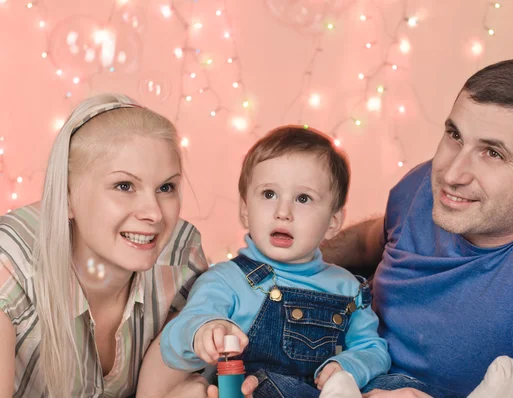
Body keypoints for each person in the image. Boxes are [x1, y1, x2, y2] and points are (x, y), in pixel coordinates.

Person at [321, 58, 513, 398]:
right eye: (455, 135)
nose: (452, 174)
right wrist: (268, 266)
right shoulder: (429, 186)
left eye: (493, 153)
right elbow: (369, 241)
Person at [150, 125, 391, 398]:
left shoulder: (347, 287)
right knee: (267, 385)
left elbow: (373, 349)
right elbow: (175, 338)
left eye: (303, 198)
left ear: (333, 222)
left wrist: (347, 365)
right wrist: (204, 330)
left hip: (328, 392)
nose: (283, 212)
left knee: (398, 385)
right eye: (269, 194)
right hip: (254, 391)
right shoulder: (227, 279)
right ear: (244, 211)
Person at [0, 93, 211, 397]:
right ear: (66, 196)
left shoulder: (180, 256)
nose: (153, 214)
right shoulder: (10, 262)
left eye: (166, 187)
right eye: (124, 186)